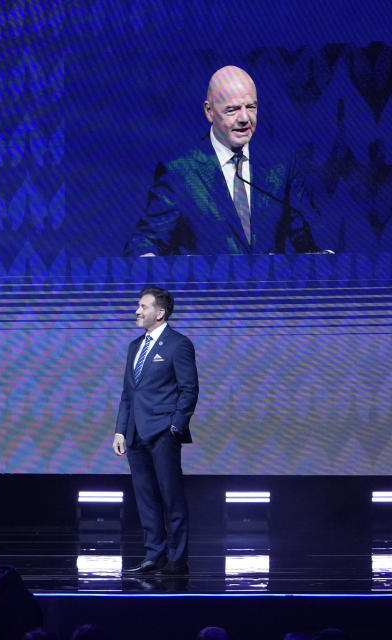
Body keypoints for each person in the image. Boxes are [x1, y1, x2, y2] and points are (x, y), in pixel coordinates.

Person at [125, 65, 320, 256]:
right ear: (209, 111)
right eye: (233, 110)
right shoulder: (180, 171)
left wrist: (322, 256)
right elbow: (146, 241)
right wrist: (146, 258)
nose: (245, 118)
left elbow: (306, 233)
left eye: (251, 107)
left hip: (267, 286)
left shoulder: (280, 163)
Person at [114, 287, 198, 576]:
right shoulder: (134, 346)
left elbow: (189, 389)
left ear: (160, 312)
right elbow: (128, 393)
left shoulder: (178, 344)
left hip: (163, 431)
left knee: (171, 496)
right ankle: (154, 555)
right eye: (138, 306)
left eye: (143, 306)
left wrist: (176, 426)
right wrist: (120, 431)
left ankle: (178, 558)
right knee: (146, 497)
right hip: (135, 433)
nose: (137, 311)